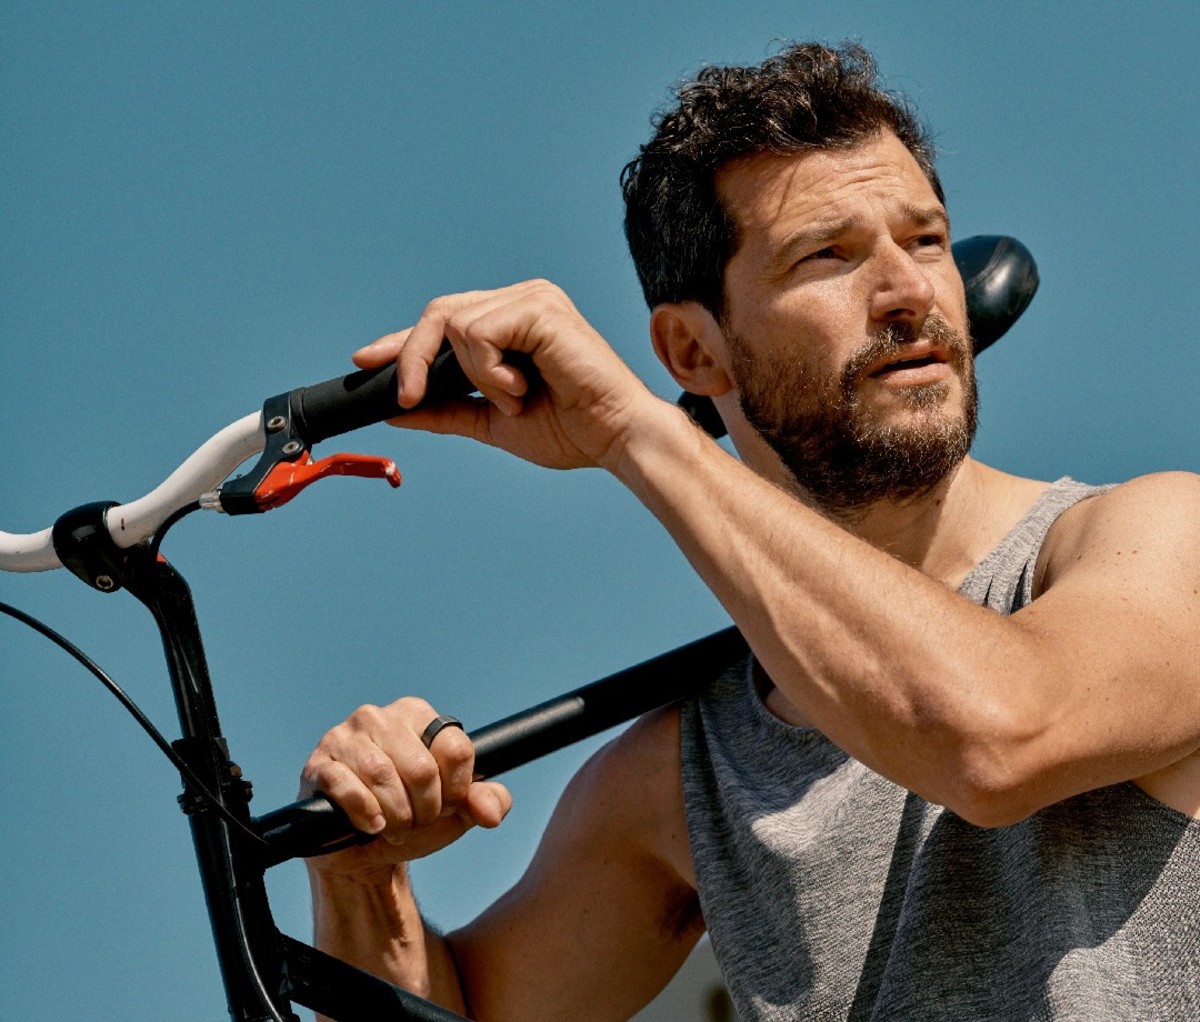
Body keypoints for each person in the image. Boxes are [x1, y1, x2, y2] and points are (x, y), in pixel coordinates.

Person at [300, 42, 1200, 1021]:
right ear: (694, 348)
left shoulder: (1155, 536)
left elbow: (993, 740)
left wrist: (630, 429)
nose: (909, 292)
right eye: (829, 255)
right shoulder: (681, 774)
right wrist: (361, 872)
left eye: (928, 239)